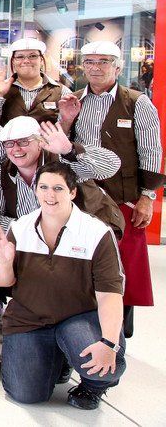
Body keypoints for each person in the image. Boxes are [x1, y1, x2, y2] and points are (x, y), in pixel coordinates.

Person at [0, 162, 126, 410]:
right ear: (35, 191)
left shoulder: (96, 232)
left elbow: (110, 294)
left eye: (58, 188)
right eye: (43, 187)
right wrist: (6, 263)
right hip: (29, 319)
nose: (49, 195)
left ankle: (92, 387)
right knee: (25, 394)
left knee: (104, 367)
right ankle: (58, 358)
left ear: (72, 192)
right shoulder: (20, 228)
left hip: (78, 318)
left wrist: (108, 343)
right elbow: (2, 281)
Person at [59, 41, 164, 335]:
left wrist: (147, 198)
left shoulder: (137, 102)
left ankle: (118, 330)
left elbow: (152, 151)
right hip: (83, 195)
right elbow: (61, 143)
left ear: (117, 68)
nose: (96, 67)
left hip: (122, 198)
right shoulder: (74, 100)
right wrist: (66, 119)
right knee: (84, 259)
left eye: (103, 61)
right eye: (90, 62)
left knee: (123, 262)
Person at [0, 116, 123, 230]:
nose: (16, 149)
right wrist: (31, 230)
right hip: (35, 241)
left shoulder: (63, 160)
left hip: (88, 232)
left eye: (23, 142)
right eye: (9, 143)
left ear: (40, 142)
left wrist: (69, 149)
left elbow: (112, 166)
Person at [0, 38, 63, 124]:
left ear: (41, 60)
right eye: (20, 57)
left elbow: (66, 125)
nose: (26, 61)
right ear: (13, 61)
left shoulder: (60, 90)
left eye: (33, 56)